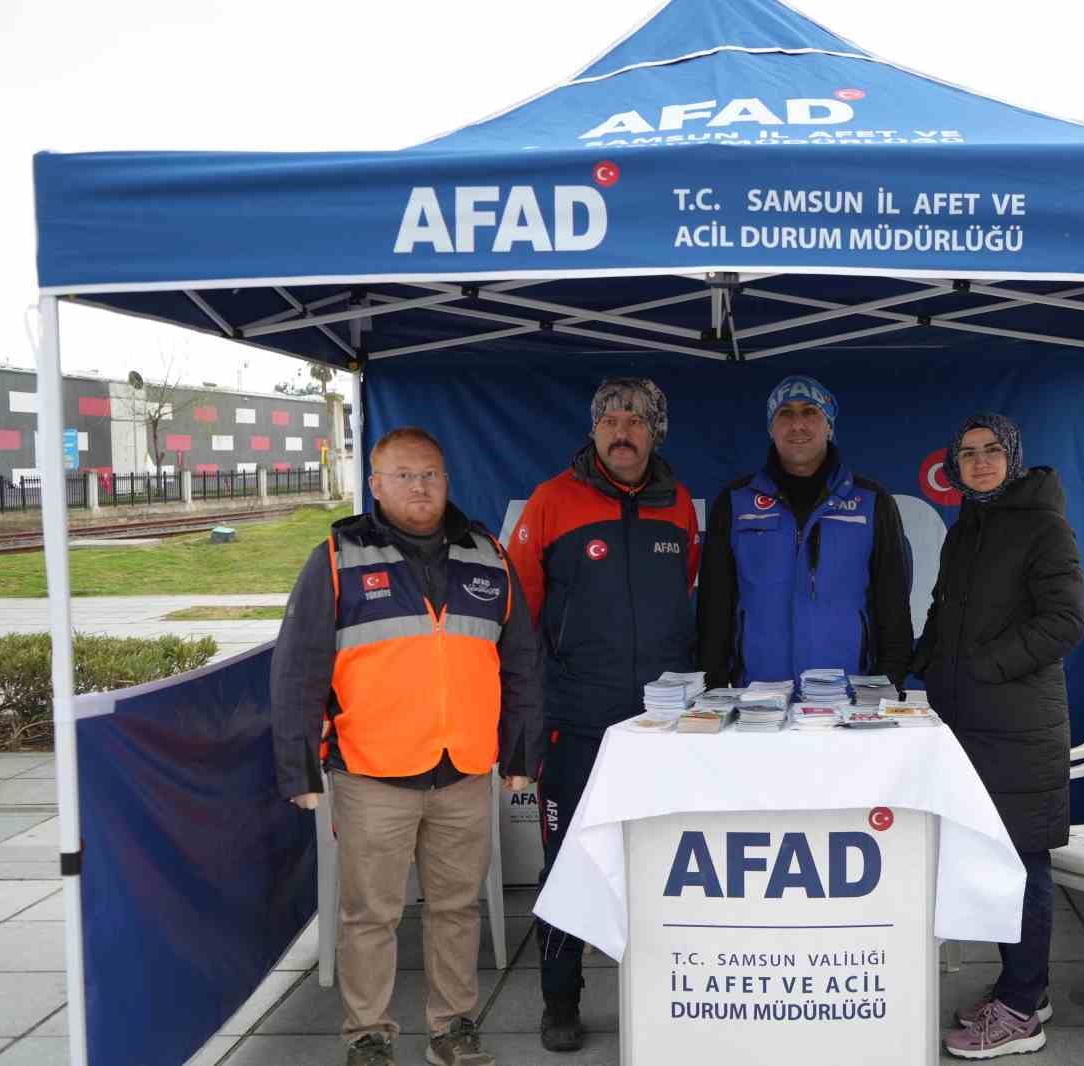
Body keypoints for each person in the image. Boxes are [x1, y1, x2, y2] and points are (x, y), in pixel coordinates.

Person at [272, 426, 539, 1066]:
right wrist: (298, 767)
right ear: (375, 485)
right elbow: (297, 668)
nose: (420, 487)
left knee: (457, 909)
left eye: (431, 474)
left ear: (448, 479)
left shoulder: (488, 555)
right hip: (372, 773)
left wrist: (523, 756)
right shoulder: (337, 557)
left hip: (465, 770)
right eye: (404, 475)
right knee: (371, 915)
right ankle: (368, 1034)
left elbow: (523, 661)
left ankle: (453, 1028)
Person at [505, 377, 698, 1052]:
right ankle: (561, 999)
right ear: (593, 431)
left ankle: (674, 992)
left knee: (664, 860)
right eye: (610, 419)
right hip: (577, 721)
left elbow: (686, 596)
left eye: (637, 420)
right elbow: (518, 615)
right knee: (569, 863)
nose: (623, 430)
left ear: (656, 432)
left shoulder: (678, 508)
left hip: (660, 727)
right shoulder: (551, 501)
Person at [907, 413, 1084, 1060]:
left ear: (1012, 456)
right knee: (994, 858)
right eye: (967, 454)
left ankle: (1021, 1013)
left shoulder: (1044, 526)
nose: (979, 463)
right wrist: (922, 658)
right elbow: (945, 608)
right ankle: (1023, 990)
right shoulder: (970, 526)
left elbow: (1065, 623)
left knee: (1024, 862)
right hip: (970, 724)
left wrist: (982, 668)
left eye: (990, 452)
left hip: (1019, 726)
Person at [698, 374, 913, 689]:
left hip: (847, 694)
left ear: (829, 425)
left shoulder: (871, 500)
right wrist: (713, 682)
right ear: (772, 428)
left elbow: (892, 599)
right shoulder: (735, 500)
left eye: (810, 412)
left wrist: (890, 680)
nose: (797, 424)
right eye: (785, 413)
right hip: (758, 696)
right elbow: (715, 601)